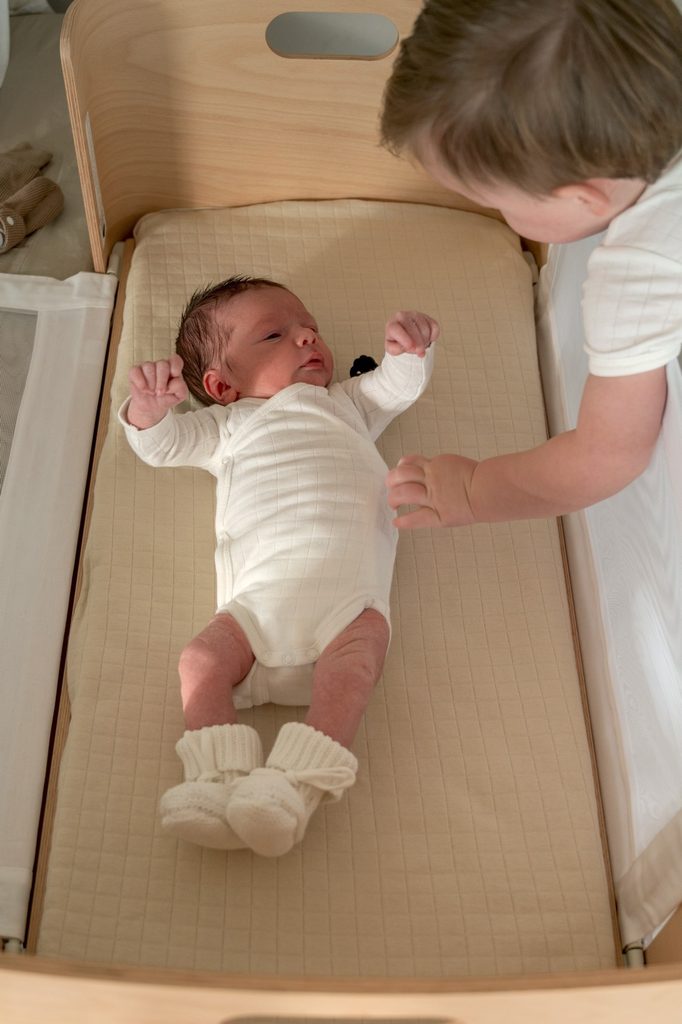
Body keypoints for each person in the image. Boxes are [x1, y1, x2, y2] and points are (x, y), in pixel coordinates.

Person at [120, 276, 438, 857]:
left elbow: (397, 388)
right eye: (275, 335)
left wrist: (408, 351)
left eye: (309, 327)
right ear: (222, 385)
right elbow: (160, 445)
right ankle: (217, 781)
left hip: (348, 605)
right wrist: (148, 409)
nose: (307, 337)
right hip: (255, 608)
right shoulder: (226, 428)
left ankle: (294, 787)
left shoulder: (346, 403)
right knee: (200, 660)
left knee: (356, 668)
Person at [380, 0, 682, 528]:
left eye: (499, 203)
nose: (502, 217)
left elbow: (607, 455)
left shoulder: (636, 274)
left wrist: (474, 490)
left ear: (583, 198)